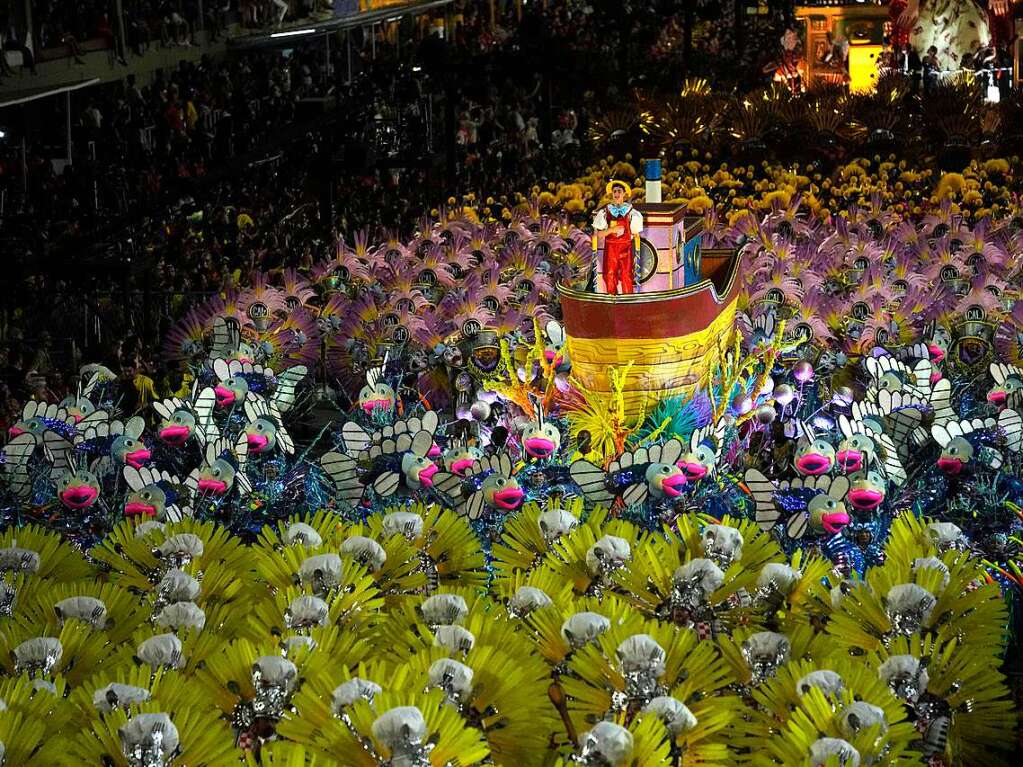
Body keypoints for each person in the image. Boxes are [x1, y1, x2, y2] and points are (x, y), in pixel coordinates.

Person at [592, 180, 642, 295]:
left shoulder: (631, 213)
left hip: (626, 248)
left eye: (619, 191)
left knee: (627, 275)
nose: (616, 193)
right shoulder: (606, 212)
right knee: (609, 275)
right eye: (614, 191)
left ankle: (628, 301)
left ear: (624, 194)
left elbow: (635, 234)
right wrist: (611, 230)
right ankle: (612, 299)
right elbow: (598, 235)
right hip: (611, 249)